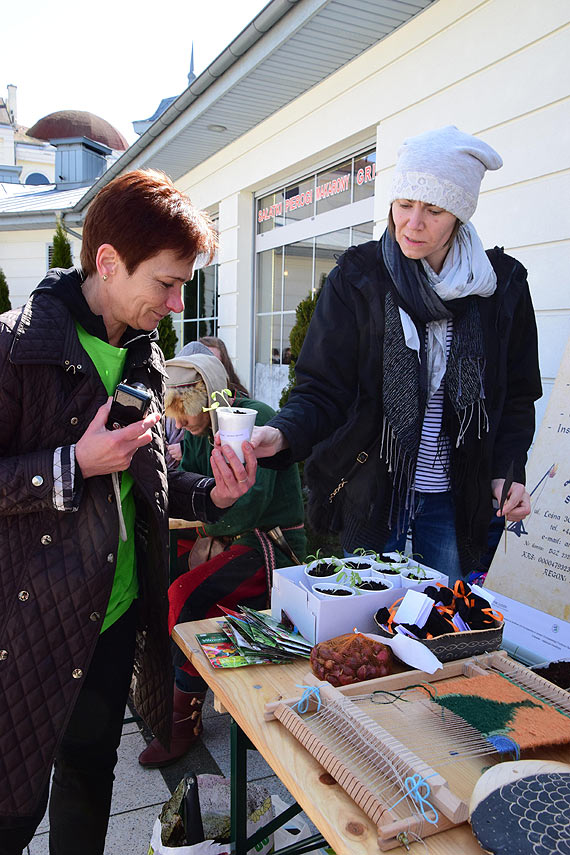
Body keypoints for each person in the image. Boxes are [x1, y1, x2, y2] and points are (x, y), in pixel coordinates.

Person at [0, 169, 257, 855]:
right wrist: (71, 464)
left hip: (113, 616)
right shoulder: (13, 349)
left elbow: (153, 479)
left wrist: (213, 495)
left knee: (88, 775)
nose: (176, 303)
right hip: (25, 625)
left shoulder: (145, 360)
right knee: (11, 804)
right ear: (108, 262)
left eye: (183, 285)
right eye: (167, 283)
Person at [248, 126, 541, 584]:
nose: (413, 223)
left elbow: (518, 398)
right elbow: (322, 389)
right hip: (371, 491)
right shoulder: (359, 277)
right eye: (404, 204)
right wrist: (281, 434)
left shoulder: (502, 288)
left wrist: (508, 471)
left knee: (439, 628)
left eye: (434, 209)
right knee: (365, 631)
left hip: (454, 497)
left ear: (460, 215)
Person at [138, 342, 306, 767]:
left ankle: (183, 719)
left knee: (186, 594)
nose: (179, 421)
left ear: (207, 396)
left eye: (183, 410)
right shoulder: (201, 430)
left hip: (270, 547)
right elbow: (197, 490)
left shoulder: (255, 421)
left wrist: (205, 517)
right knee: (157, 567)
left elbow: (243, 510)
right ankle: (163, 681)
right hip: (230, 538)